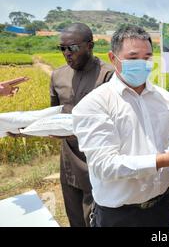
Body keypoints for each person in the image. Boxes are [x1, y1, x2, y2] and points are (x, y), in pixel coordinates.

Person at [72, 25, 169, 227]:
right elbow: (104, 166)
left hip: (163, 206)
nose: (142, 63)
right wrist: (164, 160)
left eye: (147, 57)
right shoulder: (95, 104)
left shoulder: (163, 98)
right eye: (133, 58)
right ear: (113, 58)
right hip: (120, 215)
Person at [51, 23, 114, 227]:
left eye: (73, 48)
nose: (67, 54)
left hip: (98, 159)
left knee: (96, 219)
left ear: (90, 45)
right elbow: (53, 115)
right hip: (69, 158)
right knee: (75, 218)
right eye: (63, 48)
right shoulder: (58, 76)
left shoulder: (108, 75)